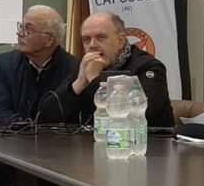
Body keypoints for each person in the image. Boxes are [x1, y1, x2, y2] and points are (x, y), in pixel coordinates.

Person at [0, 5, 79, 186]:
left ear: (50, 39)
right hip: (11, 158)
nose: (20, 33)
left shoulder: (74, 69)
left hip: (57, 164)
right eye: (21, 27)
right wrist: (24, 127)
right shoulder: (5, 63)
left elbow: (73, 118)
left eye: (29, 29)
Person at [39, 12, 175, 127]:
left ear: (121, 41)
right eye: (86, 39)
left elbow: (141, 115)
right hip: (92, 144)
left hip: (147, 146)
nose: (92, 45)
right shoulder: (87, 66)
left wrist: (94, 78)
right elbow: (46, 117)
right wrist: (79, 83)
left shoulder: (147, 67)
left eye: (101, 37)